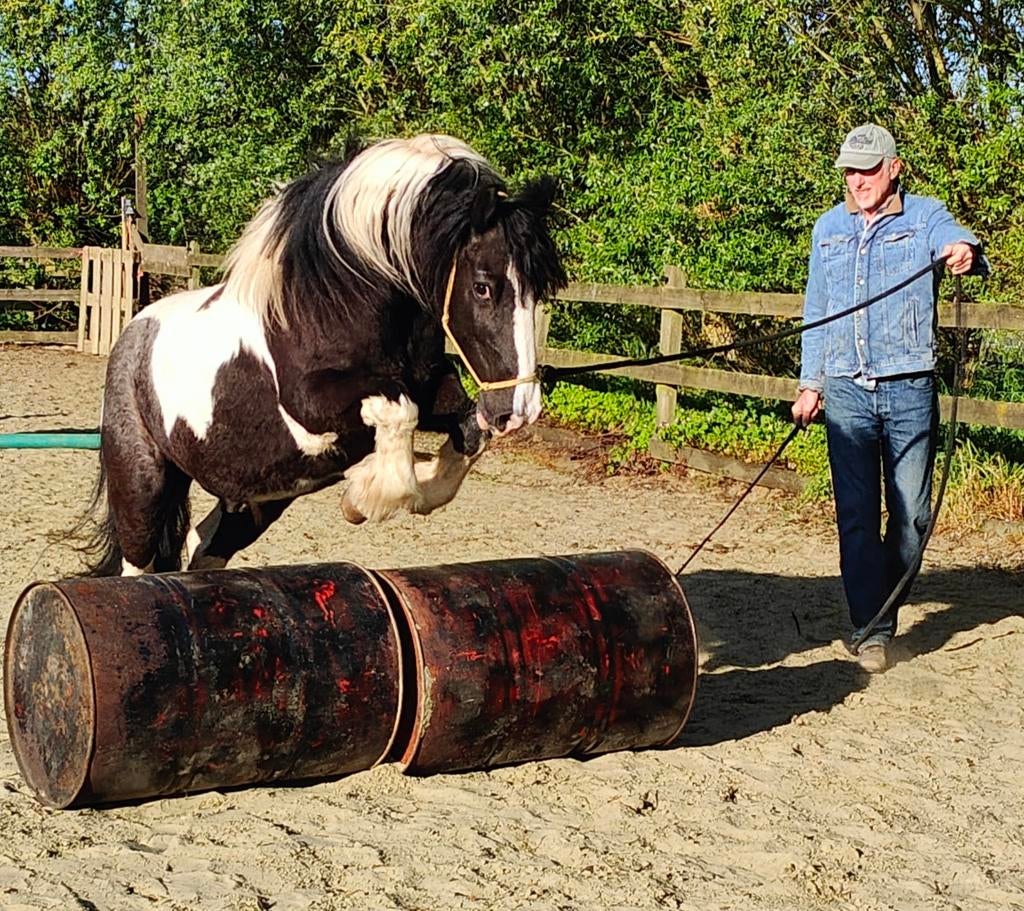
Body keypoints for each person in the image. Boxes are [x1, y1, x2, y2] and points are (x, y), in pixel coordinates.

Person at [792, 123, 987, 674]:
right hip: (848, 390)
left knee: (912, 518)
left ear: (894, 167)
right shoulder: (828, 229)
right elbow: (817, 312)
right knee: (856, 515)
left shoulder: (923, 216)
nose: (857, 181)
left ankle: (884, 605)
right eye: (850, 171)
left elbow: (955, 235)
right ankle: (871, 629)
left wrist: (961, 249)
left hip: (908, 388)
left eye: (868, 169)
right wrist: (812, 384)